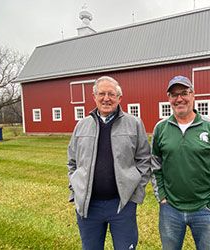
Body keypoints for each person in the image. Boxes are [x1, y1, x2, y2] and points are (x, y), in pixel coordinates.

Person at [67, 76, 151, 250]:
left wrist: (135, 194)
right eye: (102, 94)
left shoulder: (134, 124)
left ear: (119, 98)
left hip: (122, 205)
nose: (106, 98)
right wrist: (76, 190)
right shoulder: (81, 125)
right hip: (88, 206)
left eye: (111, 94)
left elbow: (144, 160)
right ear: (94, 97)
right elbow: (72, 162)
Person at [151, 75, 210, 250]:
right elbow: (155, 165)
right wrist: (162, 197)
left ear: (193, 95)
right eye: (174, 94)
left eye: (184, 93)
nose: (179, 99)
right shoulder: (160, 128)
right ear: (169, 99)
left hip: (205, 209)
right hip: (170, 209)